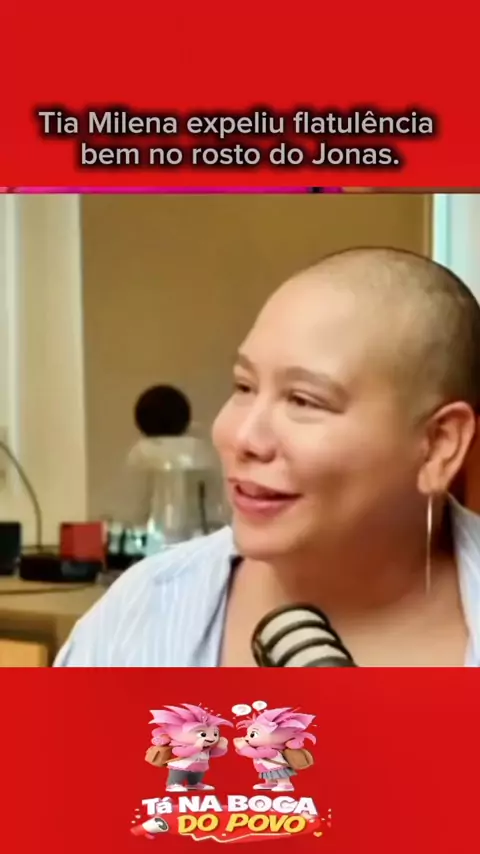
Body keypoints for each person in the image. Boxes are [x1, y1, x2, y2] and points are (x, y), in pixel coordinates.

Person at [55, 247, 480, 668]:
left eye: (303, 400)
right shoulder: (140, 614)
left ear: (438, 445)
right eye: (244, 387)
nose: (242, 437)